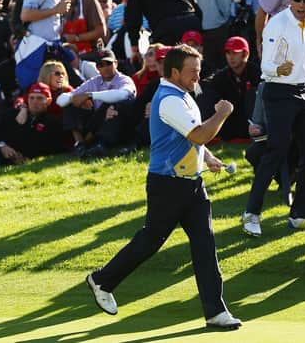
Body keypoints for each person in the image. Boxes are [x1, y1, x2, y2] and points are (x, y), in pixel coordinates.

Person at [85, 44, 242, 330]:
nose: (197, 76)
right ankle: (102, 280)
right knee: (150, 241)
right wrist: (222, 113)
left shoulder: (183, 95)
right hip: (167, 185)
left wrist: (207, 157)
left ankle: (215, 312)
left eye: (198, 70)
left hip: (192, 184)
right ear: (174, 72)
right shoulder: (169, 99)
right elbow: (200, 132)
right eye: (192, 71)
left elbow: (192, 138)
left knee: (205, 246)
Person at [243, 0, 305, 237]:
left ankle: (301, 215)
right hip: (278, 92)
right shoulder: (277, 23)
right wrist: (278, 69)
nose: (301, 5)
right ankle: (251, 214)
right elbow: (265, 64)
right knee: (276, 151)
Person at [57, 49, 136, 157]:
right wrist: (74, 98)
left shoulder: (125, 80)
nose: (105, 68)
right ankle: (80, 144)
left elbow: (123, 95)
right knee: (71, 104)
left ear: (116, 63)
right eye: (101, 65)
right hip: (99, 122)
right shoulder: (94, 81)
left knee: (111, 105)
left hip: (121, 122)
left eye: (108, 63)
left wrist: (90, 95)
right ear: (97, 68)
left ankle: (100, 144)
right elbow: (61, 101)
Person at [204, 36, 260, 140]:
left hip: (253, 122)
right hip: (230, 123)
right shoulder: (220, 77)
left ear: (245, 54)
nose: (231, 57)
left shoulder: (258, 74)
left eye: (235, 53)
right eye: (228, 53)